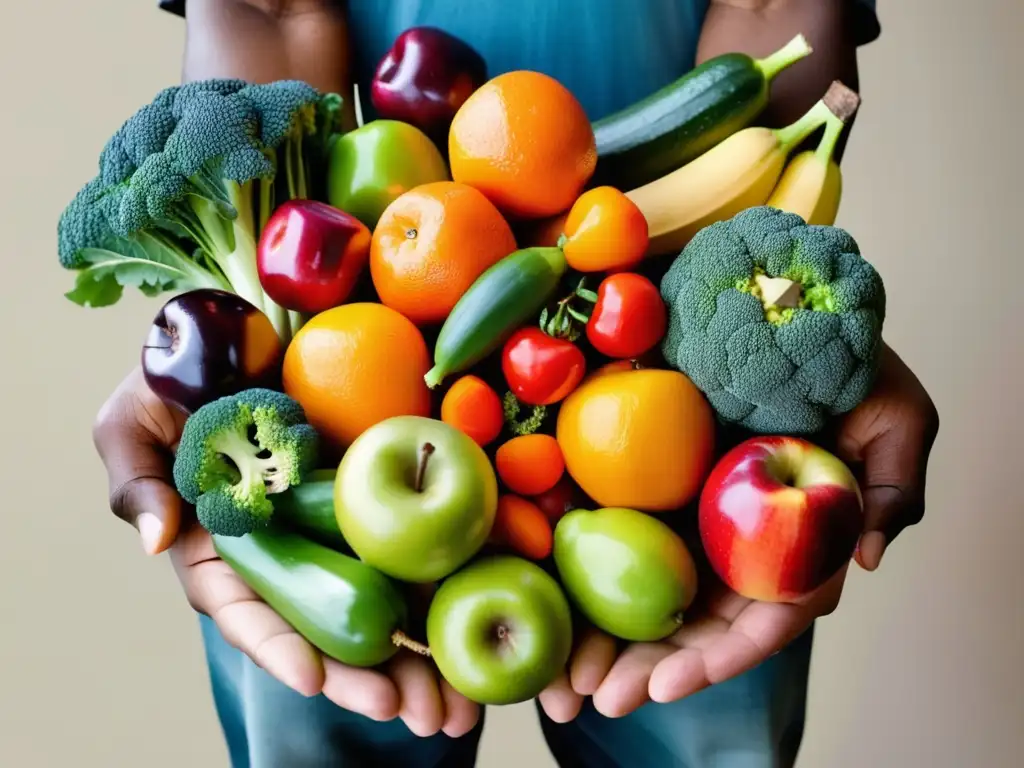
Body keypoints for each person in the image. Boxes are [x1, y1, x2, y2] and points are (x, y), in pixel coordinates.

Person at [92, 1, 938, 766]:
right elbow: (267, 6)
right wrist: (227, 344)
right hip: (344, 342)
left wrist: (783, 328)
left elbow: (773, 8)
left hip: (688, 388)